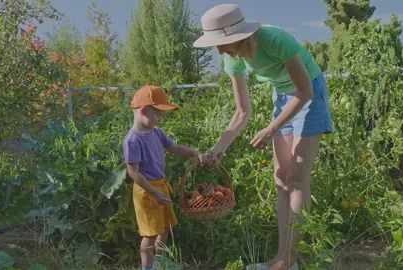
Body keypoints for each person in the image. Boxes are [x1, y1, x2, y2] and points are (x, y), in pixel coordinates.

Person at [193, 4, 333, 270]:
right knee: (281, 178)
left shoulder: (275, 39)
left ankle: (288, 259)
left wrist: (270, 128)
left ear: (239, 35)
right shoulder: (232, 58)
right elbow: (242, 110)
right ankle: (283, 258)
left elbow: (304, 92)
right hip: (282, 96)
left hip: (308, 92)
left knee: (297, 178)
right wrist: (220, 145)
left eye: (222, 44)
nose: (220, 51)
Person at [123, 85, 204, 270]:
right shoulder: (132, 140)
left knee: (164, 227)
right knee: (150, 234)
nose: (160, 119)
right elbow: (133, 172)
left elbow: (174, 148)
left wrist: (193, 153)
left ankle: (160, 262)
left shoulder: (157, 133)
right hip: (146, 190)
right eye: (158, 115)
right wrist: (153, 192)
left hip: (161, 187)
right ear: (144, 111)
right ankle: (148, 267)